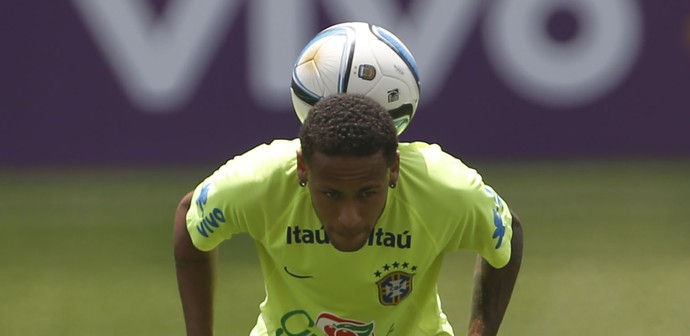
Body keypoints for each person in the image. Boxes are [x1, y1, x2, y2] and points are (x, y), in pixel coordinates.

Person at [174, 93, 523, 336]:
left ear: (393, 169)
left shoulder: (445, 190)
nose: (350, 217)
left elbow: (509, 231)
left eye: (368, 193)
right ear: (302, 168)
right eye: (331, 194)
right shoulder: (259, 182)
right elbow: (191, 218)